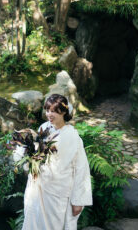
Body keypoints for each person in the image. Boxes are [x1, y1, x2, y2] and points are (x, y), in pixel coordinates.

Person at [22, 94, 92, 230]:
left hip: (59, 191)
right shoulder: (43, 128)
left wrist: (78, 200)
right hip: (39, 188)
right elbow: (36, 155)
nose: (49, 114)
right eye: (48, 110)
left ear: (64, 112)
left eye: (54, 111)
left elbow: (81, 168)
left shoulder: (72, 136)